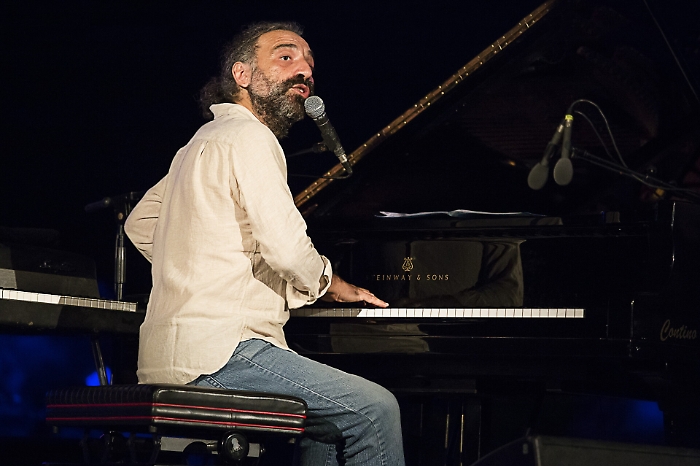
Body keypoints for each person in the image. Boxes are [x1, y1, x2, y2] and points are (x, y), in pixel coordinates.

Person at [124, 21, 405, 466]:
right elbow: (288, 250)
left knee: (328, 428)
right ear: (241, 74)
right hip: (222, 352)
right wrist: (332, 284)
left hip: (165, 357)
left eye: (309, 65)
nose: (304, 71)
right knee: (375, 411)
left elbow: (139, 224)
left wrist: (201, 261)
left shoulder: (199, 142)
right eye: (286, 57)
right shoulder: (251, 137)